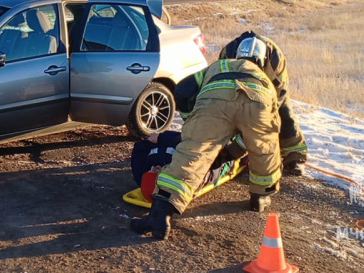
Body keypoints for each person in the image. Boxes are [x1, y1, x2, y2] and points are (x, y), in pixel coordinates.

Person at [131, 36, 281, 240]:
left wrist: (191, 121)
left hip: (214, 103)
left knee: (191, 155)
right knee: (265, 148)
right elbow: (265, 134)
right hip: (258, 104)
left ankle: (159, 217)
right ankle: (259, 198)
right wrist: (233, 150)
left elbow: (183, 90)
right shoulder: (266, 81)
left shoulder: (219, 65)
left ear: (236, 54)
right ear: (262, 60)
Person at [176, 31, 308, 176]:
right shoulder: (227, 54)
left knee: (283, 115)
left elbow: (269, 111)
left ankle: (294, 156)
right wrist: (195, 122)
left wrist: (237, 148)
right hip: (231, 89)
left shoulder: (275, 62)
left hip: (270, 92)